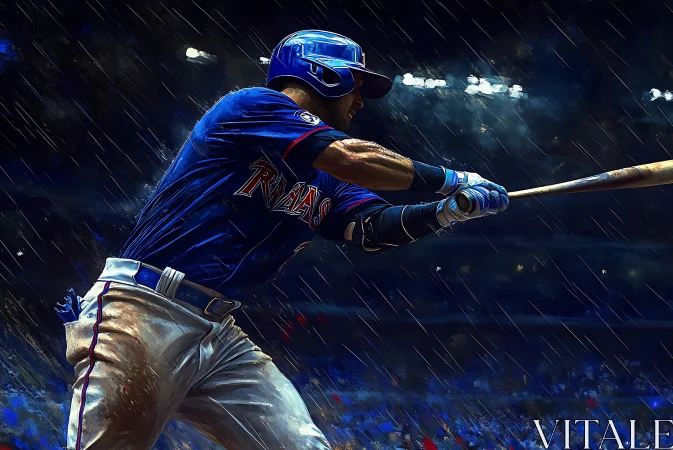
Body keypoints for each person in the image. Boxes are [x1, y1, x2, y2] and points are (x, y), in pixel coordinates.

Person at [56, 30, 509, 450]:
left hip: (219, 332)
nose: (360, 101)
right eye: (356, 85)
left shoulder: (325, 176)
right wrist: (452, 179)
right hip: (145, 307)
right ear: (323, 73)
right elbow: (353, 159)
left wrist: (450, 211)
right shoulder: (250, 105)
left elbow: (372, 230)